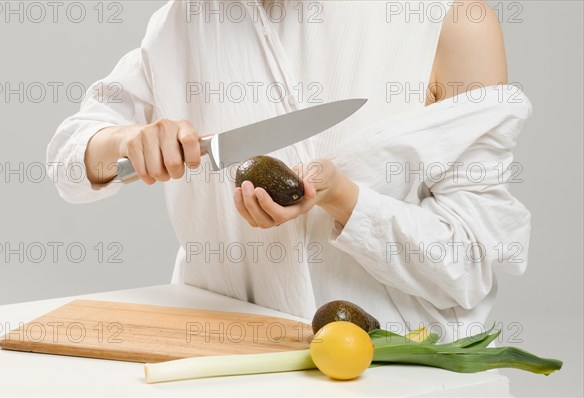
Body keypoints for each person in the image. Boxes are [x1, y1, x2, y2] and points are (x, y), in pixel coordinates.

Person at [47, 0, 529, 339]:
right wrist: (124, 142)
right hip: (219, 351)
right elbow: (69, 160)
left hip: (386, 368)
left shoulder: (450, 22)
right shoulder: (186, 17)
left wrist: (345, 200)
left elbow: (471, 263)